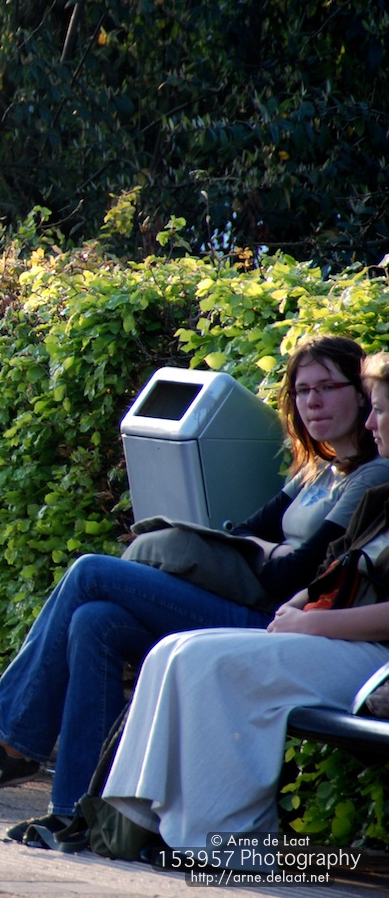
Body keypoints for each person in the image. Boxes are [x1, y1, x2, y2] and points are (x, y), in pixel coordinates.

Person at [0, 335, 389, 838]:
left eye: (327, 387)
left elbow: (294, 576)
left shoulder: (371, 475)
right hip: (246, 604)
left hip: (274, 623)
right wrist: (271, 551)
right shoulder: (317, 471)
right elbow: (243, 535)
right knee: (95, 620)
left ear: (361, 394)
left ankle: (12, 744)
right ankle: (73, 812)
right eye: (302, 391)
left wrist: (269, 553)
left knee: (90, 572)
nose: (312, 402)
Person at [101, 350, 389, 849]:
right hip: (327, 632)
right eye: (303, 391)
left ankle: (231, 842)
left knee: (200, 660)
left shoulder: (374, 477)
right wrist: (301, 603)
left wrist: (310, 622)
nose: (369, 422)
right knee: (172, 650)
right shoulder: (370, 487)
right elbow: (338, 566)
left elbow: (307, 568)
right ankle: (143, 826)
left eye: (379, 409)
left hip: (369, 658)